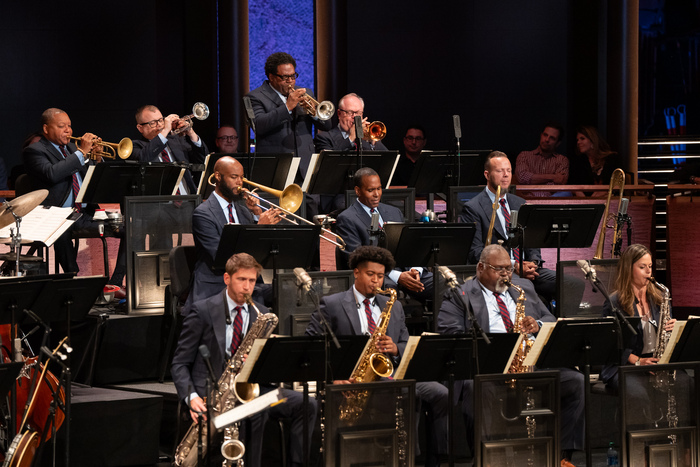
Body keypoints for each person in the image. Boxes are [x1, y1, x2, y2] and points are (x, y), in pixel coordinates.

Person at [438, 244, 584, 466]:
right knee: (475, 387)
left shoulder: (523, 286)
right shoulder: (460, 295)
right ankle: (486, 458)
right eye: (499, 269)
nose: (506, 274)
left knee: (576, 381)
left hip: (530, 362)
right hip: (488, 366)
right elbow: (450, 334)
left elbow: (551, 318)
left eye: (509, 268)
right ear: (480, 268)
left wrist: (538, 324)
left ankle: (561, 456)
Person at [305, 246, 449, 467]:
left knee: (439, 392)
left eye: (380, 276)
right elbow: (313, 346)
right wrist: (333, 377)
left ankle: (423, 458)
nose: (376, 281)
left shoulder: (394, 306)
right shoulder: (332, 304)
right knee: (404, 393)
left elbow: (404, 342)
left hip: (389, 373)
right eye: (370, 274)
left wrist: (396, 349)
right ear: (356, 272)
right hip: (352, 376)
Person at [172, 252, 316, 467]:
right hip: (212, 394)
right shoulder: (203, 311)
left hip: (255, 393)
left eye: (251, 280)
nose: (247, 287)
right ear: (227, 279)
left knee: (307, 404)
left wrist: (262, 358)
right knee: (254, 413)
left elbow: (267, 370)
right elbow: (180, 362)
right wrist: (191, 397)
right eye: (242, 279)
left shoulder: (262, 314)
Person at [22, 108, 125, 285]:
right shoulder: (35, 151)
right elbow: (52, 174)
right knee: (61, 232)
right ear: (46, 129)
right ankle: (73, 281)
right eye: (62, 126)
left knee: (129, 229)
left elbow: (95, 180)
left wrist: (98, 158)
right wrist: (81, 153)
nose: (68, 130)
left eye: (69, 126)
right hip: (56, 215)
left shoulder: (72, 148)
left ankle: (116, 283)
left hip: (85, 213)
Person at [459, 151, 558, 304]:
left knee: (569, 282)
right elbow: (474, 252)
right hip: (499, 273)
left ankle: (559, 325)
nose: (505, 175)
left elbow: (532, 243)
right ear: (487, 174)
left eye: (509, 171)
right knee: (525, 289)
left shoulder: (520, 203)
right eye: (499, 171)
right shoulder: (473, 208)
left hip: (528, 271)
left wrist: (533, 263)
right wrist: (514, 265)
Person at [189, 156, 282, 308]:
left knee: (287, 291)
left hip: (247, 282)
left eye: (241, 177)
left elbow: (257, 252)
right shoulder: (203, 214)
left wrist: (257, 213)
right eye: (234, 177)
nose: (240, 182)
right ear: (218, 177)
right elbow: (223, 258)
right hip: (217, 283)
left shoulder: (243, 210)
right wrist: (259, 227)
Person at [336, 167, 433, 301]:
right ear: (358, 191)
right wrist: (398, 276)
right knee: (387, 291)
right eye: (370, 190)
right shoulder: (347, 218)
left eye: (379, 189)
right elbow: (356, 259)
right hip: (380, 276)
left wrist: (415, 270)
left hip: (407, 271)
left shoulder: (394, 212)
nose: (376, 194)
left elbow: (409, 245)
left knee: (445, 284)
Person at [600, 244, 677, 390]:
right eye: (642, 267)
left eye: (650, 266)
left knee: (686, 384)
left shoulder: (660, 298)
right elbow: (609, 344)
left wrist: (674, 330)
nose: (649, 272)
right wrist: (638, 361)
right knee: (638, 394)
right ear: (628, 269)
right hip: (625, 366)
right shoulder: (614, 303)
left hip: (656, 363)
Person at [245, 52, 332, 180]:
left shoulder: (306, 92)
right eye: (285, 77)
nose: (290, 81)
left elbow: (327, 125)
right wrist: (287, 107)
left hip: (305, 165)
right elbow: (259, 125)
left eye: (293, 76)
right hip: (277, 167)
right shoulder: (255, 97)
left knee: (311, 201)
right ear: (271, 77)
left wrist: (313, 111)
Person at [313, 93, 388, 213]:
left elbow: (387, 162)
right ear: (339, 113)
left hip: (368, 193)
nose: (355, 117)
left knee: (402, 209)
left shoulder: (366, 137)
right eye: (350, 113)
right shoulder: (324, 137)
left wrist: (372, 142)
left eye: (358, 113)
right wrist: (351, 138)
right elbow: (331, 164)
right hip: (338, 195)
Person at [131, 104, 209, 195]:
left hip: (189, 199)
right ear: (140, 128)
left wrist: (191, 133)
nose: (159, 125)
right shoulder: (135, 146)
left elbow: (201, 160)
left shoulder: (175, 140)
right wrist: (165, 130)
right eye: (153, 123)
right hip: (160, 204)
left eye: (160, 120)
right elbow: (144, 158)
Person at [514, 122, 569, 197]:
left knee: (566, 193)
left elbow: (559, 183)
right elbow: (522, 178)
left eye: (552, 138)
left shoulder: (562, 160)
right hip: (527, 202)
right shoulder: (524, 156)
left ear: (558, 143)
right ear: (541, 135)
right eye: (545, 135)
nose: (547, 139)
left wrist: (532, 179)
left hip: (551, 203)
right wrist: (553, 177)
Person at [568, 126, 623, 196]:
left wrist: (606, 191)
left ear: (592, 140)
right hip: (586, 202)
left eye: (582, 138)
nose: (578, 142)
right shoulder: (578, 162)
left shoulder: (612, 159)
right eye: (577, 140)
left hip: (610, 200)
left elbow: (619, 183)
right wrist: (577, 191)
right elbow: (571, 183)